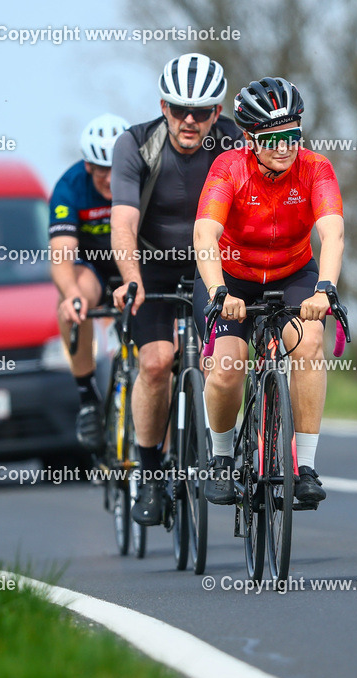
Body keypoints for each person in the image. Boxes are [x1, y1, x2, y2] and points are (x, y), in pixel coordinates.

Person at [193, 77, 344, 506]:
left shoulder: (316, 169)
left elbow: (332, 234)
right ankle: (221, 460)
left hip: (293, 273)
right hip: (234, 278)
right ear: (249, 139)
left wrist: (325, 289)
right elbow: (205, 234)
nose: (284, 147)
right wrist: (219, 292)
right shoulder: (228, 168)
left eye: (292, 136)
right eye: (272, 139)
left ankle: (307, 466)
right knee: (226, 366)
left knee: (309, 342)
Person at [110, 53, 242, 525]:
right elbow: (122, 223)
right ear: (163, 106)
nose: (190, 120)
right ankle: (148, 475)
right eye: (180, 109)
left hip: (215, 264)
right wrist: (131, 278)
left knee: (222, 360)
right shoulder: (135, 144)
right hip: (152, 265)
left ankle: (227, 451)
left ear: (217, 111)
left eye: (203, 111)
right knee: (156, 362)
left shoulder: (234, 143)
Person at [49, 113, 129, 451]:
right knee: (74, 303)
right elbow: (61, 253)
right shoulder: (69, 187)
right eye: (101, 170)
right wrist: (70, 294)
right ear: (87, 166)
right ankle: (87, 397)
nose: (111, 180)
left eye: (118, 169)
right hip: (93, 268)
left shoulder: (144, 180)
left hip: (136, 264)